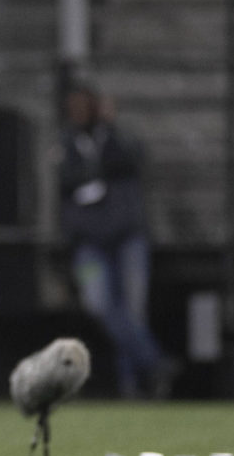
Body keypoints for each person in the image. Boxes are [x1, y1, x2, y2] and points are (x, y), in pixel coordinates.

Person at [57, 83, 172, 399]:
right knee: (99, 306)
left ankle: (132, 387)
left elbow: (135, 159)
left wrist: (110, 127)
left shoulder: (115, 139)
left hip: (127, 238)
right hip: (88, 245)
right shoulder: (67, 144)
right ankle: (154, 363)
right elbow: (65, 183)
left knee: (132, 311)